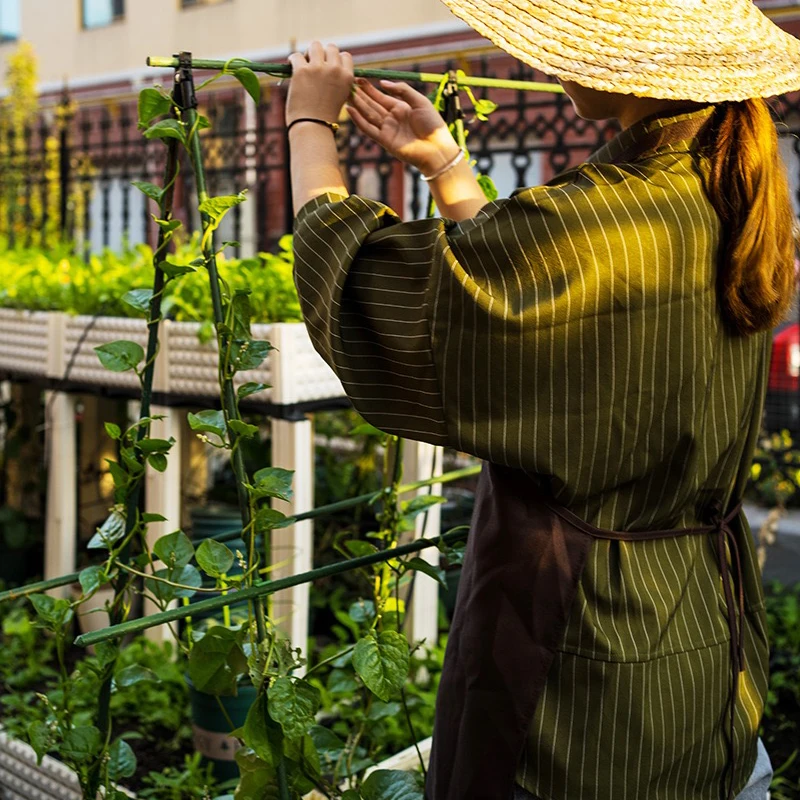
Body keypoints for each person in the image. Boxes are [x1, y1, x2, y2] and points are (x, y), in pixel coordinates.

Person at [285, 1, 800, 798]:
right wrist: (447, 169)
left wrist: (308, 124)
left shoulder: (601, 216)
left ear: (627, 65)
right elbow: (535, 312)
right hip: (707, 651)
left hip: (583, 674)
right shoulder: (725, 194)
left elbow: (365, 288)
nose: (549, 59)